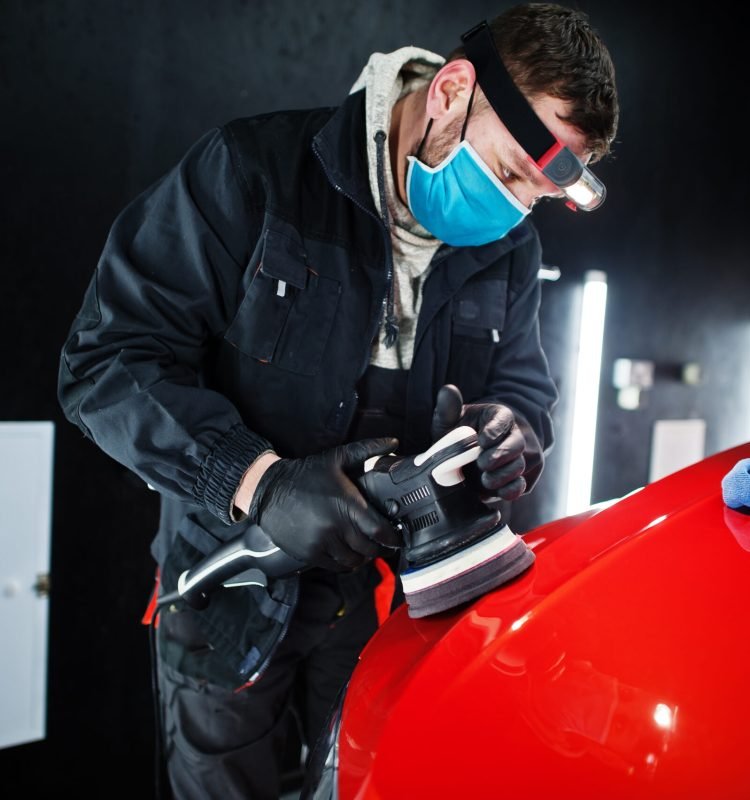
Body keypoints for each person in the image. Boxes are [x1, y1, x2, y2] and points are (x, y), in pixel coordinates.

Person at [58, 3, 618, 797]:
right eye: (503, 175)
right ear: (452, 91)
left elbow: (523, 385)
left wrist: (515, 429)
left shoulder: (509, 245)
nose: (512, 211)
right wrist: (258, 482)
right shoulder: (253, 172)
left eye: (534, 196)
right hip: (233, 598)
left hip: (391, 616)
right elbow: (106, 364)